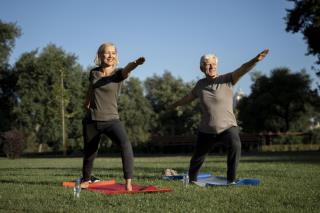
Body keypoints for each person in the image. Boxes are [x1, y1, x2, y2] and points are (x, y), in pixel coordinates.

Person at [169, 49, 269, 184]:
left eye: (214, 65)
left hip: (227, 127)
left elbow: (243, 69)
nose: (212, 67)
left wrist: (255, 60)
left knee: (235, 145)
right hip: (207, 130)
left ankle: (231, 180)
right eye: (208, 65)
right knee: (197, 158)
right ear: (201, 68)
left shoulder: (227, 79)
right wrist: (175, 104)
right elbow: (188, 97)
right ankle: (192, 179)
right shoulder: (200, 85)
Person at [81, 42, 145, 191]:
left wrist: (136, 63)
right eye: (107, 52)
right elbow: (92, 88)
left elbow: (128, 69)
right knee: (90, 152)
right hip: (92, 120)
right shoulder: (94, 72)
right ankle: (86, 179)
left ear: (116, 56)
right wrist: (86, 103)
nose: (110, 55)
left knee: (125, 145)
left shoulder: (118, 74)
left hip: (111, 120)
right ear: (100, 55)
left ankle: (128, 182)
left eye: (113, 53)